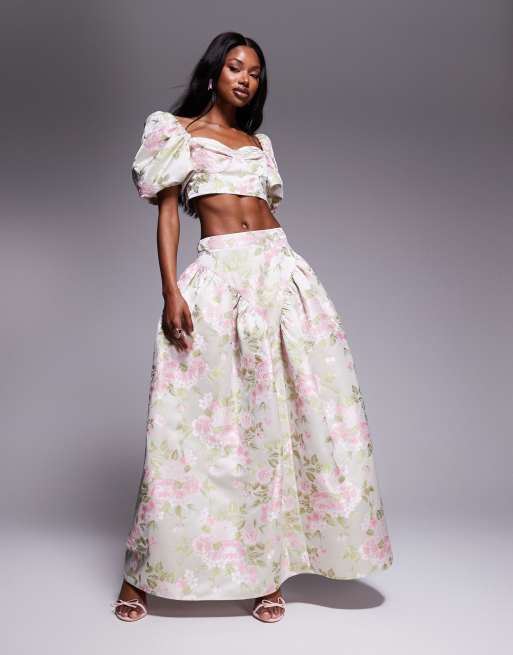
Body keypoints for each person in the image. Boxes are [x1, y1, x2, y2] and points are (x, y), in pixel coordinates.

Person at [112, 31, 393, 624]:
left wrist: (281, 278)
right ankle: (142, 573)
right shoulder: (175, 132)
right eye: (236, 67)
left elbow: (265, 212)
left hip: (280, 275)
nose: (246, 79)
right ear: (214, 72)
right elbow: (169, 216)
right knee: (193, 430)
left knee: (281, 422)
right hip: (219, 280)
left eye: (256, 72)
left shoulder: (259, 144)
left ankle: (268, 571)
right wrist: (169, 290)